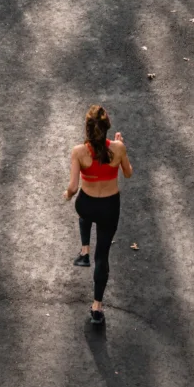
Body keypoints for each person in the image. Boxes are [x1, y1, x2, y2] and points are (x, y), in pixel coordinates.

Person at [64, 104, 133, 324]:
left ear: (87, 129)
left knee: (85, 213)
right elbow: (128, 174)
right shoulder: (118, 148)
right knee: (102, 257)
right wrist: (120, 145)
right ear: (106, 128)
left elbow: (74, 187)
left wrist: (66, 194)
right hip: (109, 208)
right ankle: (97, 308)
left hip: (87, 204)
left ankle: (84, 250)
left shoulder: (79, 152)